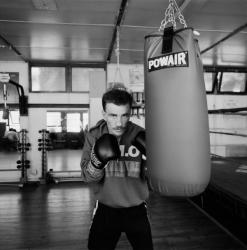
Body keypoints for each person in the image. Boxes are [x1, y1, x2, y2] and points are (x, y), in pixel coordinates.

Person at [80, 85, 153, 250]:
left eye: (124, 115)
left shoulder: (141, 135)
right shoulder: (94, 135)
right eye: (113, 115)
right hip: (106, 209)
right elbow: (87, 177)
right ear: (104, 114)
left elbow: (156, 179)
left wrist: (152, 161)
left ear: (130, 114)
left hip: (137, 209)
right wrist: (97, 161)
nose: (119, 123)